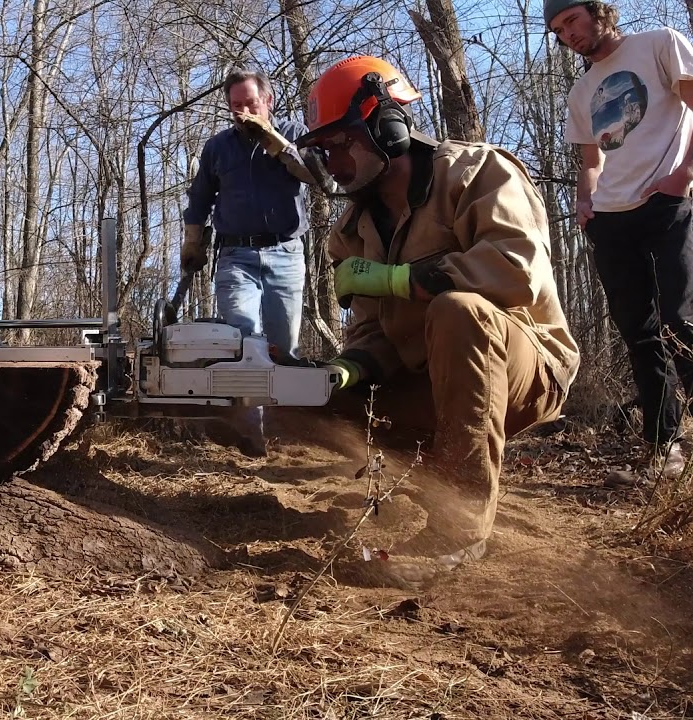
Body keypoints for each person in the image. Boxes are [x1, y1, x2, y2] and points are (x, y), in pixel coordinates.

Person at [293, 56, 580, 589]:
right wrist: (346, 369)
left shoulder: (477, 173)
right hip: (432, 380)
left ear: (385, 124)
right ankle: (430, 481)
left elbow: (517, 271)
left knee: (458, 310)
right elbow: (374, 332)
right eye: (323, 151)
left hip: (526, 368)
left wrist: (399, 279)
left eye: (339, 144)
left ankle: (462, 525)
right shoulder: (352, 229)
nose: (332, 163)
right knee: (310, 395)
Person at [548, 0, 693, 478]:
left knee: (680, 322)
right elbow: (591, 160)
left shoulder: (659, 44)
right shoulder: (582, 89)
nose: (567, 33)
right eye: (558, 29)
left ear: (596, 11)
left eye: (571, 20)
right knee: (640, 336)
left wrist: (682, 177)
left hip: (667, 204)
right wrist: (585, 203)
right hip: (611, 220)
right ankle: (664, 453)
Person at [181, 69, 316, 456]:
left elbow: (314, 174)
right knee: (242, 337)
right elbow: (199, 199)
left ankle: (284, 438)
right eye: (236, 106)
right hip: (235, 255)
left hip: (286, 252)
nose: (243, 112)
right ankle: (250, 438)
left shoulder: (294, 130)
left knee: (282, 347)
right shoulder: (218, 147)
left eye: (250, 104)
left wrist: (274, 141)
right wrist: (193, 242)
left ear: (268, 101)